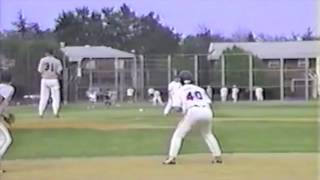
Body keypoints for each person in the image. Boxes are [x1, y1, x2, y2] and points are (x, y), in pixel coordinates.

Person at [163, 70, 222, 165]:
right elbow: (208, 102)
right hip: (207, 110)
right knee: (207, 134)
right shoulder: (199, 89)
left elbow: (177, 107)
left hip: (193, 111)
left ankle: (172, 157)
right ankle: (217, 156)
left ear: (181, 81)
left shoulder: (179, 90)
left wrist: (180, 114)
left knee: (178, 135)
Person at [38, 49, 63, 118]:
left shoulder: (43, 60)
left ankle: (41, 113)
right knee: (56, 98)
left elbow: (40, 70)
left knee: (43, 97)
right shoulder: (57, 61)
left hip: (45, 79)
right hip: (54, 79)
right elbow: (59, 71)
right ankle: (55, 112)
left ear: (46, 53)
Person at [0, 71, 15, 173]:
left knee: (1, 139)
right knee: (7, 139)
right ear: (11, 80)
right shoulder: (9, 88)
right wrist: (5, 116)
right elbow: (1, 100)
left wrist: (4, 116)